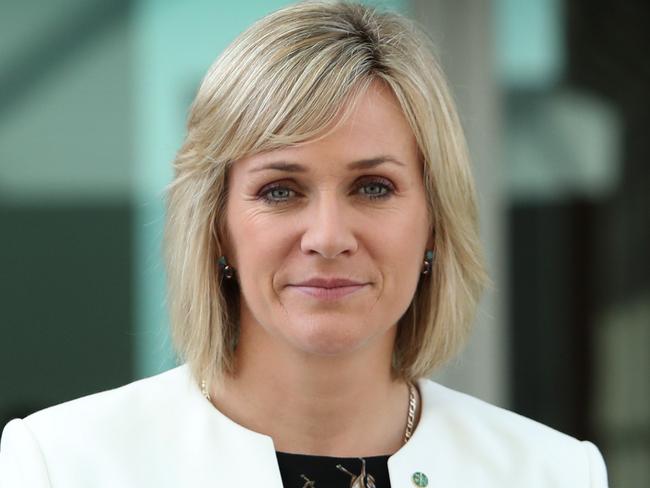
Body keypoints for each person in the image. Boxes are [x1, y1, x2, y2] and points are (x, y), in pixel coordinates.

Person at [0, 2, 608, 487]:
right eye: (280, 190)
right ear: (217, 227)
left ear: (434, 221)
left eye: (373, 186)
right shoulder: (62, 466)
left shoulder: (553, 473)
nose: (327, 237)